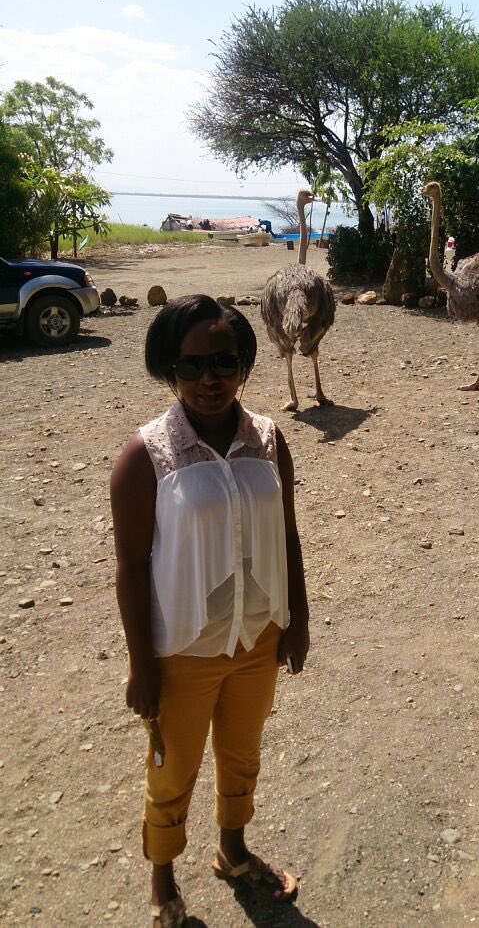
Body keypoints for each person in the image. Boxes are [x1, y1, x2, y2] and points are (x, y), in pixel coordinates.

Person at [110, 295, 309, 927]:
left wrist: (297, 618)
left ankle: (233, 850)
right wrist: (142, 666)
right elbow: (131, 568)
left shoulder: (270, 441)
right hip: (183, 652)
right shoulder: (146, 457)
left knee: (242, 754)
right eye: (191, 366)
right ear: (168, 370)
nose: (209, 380)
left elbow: (288, 535)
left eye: (224, 362)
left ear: (245, 364)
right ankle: (164, 881)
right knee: (173, 771)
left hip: (257, 637)